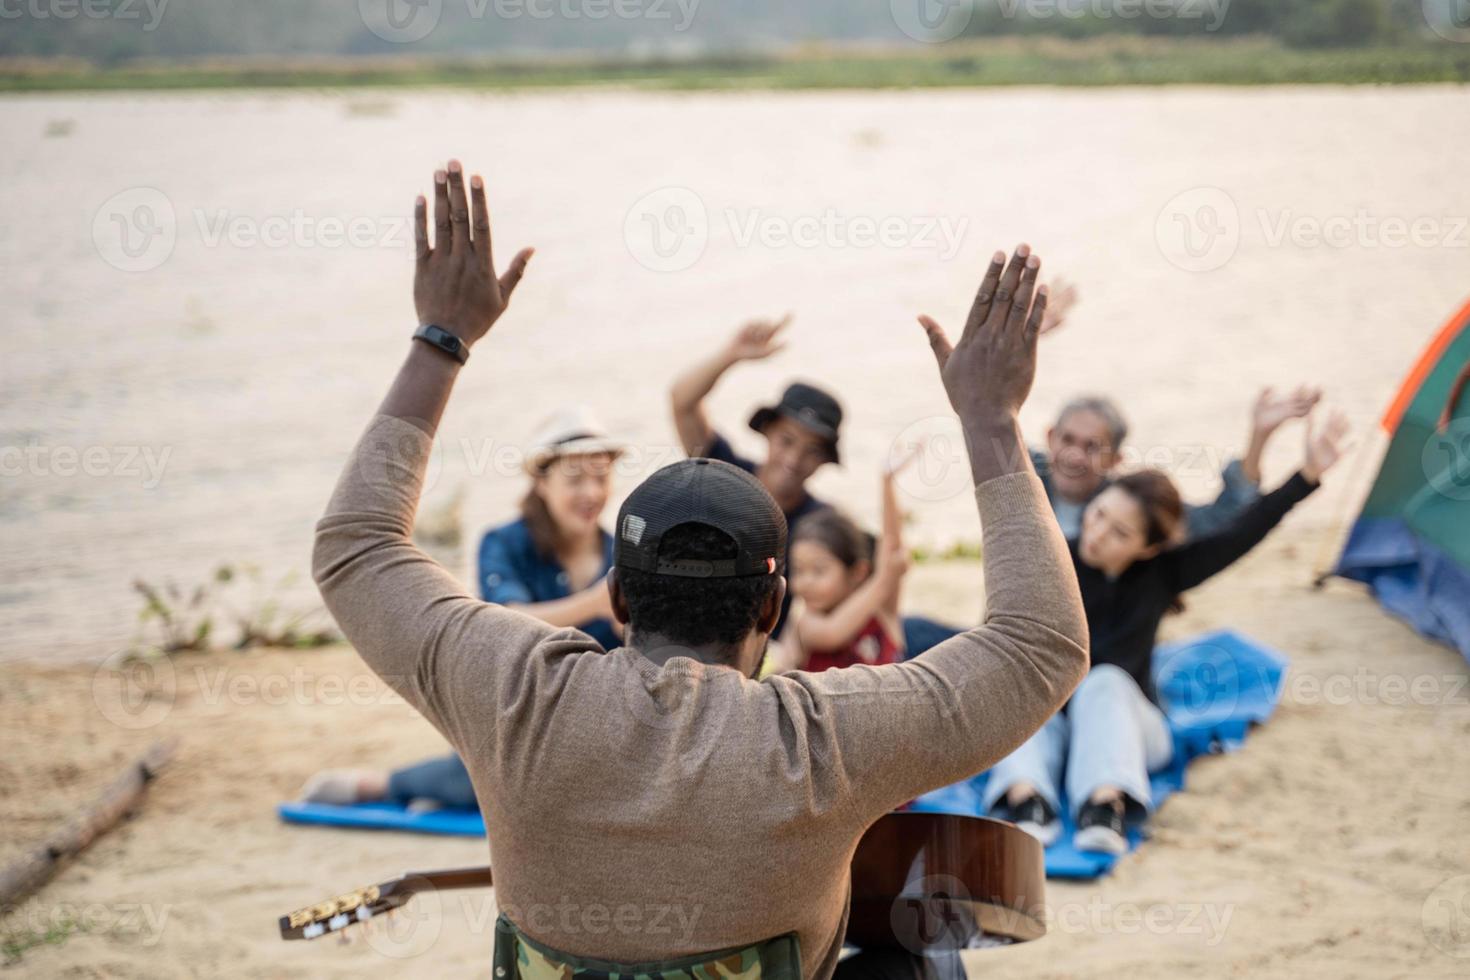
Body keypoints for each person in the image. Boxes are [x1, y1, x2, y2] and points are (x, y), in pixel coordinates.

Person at [311, 159, 1086, 980]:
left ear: (616, 597)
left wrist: (442, 338)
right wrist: (991, 421)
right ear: (770, 608)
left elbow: (357, 546)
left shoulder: (511, 693)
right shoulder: (829, 742)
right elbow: (1040, 643)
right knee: (923, 964)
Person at [982, 409, 1351, 855]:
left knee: (1105, 680)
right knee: (1022, 689)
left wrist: (1307, 474)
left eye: (1119, 532)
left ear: (1149, 547)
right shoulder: (1055, 561)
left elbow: (1241, 533)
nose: (1097, 534)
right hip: (1054, 726)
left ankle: (1105, 807)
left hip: (1131, 727)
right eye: (1097, 516)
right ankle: (1026, 800)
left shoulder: (1163, 573)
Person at [297, 406, 626, 809]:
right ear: (541, 481)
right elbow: (505, 620)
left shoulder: (621, 553)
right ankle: (383, 786)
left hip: (597, 720)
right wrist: (593, 604)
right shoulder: (503, 543)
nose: (591, 493)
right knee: (487, 777)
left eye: (601, 477)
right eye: (574, 478)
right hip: (521, 713)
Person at [669, 317, 842, 631]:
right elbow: (682, 401)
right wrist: (731, 355)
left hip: (764, 648)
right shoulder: (723, 473)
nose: (794, 458)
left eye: (812, 450)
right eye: (787, 441)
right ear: (767, 431)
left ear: (823, 461)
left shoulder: (820, 522)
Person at [1018, 387, 1322, 541]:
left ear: (1116, 460)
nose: (1075, 456)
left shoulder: (1131, 505)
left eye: (1093, 447)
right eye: (1067, 440)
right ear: (1050, 436)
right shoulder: (1022, 478)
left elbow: (1221, 519)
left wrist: (1260, 436)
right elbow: (985, 414)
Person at [771, 446, 961, 674]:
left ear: (857, 573)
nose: (805, 581)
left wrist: (887, 483)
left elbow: (891, 547)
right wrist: (883, 578)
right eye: (799, 571)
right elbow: (834, 632)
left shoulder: (882, 612)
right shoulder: (806, 624)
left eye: (818, 571)